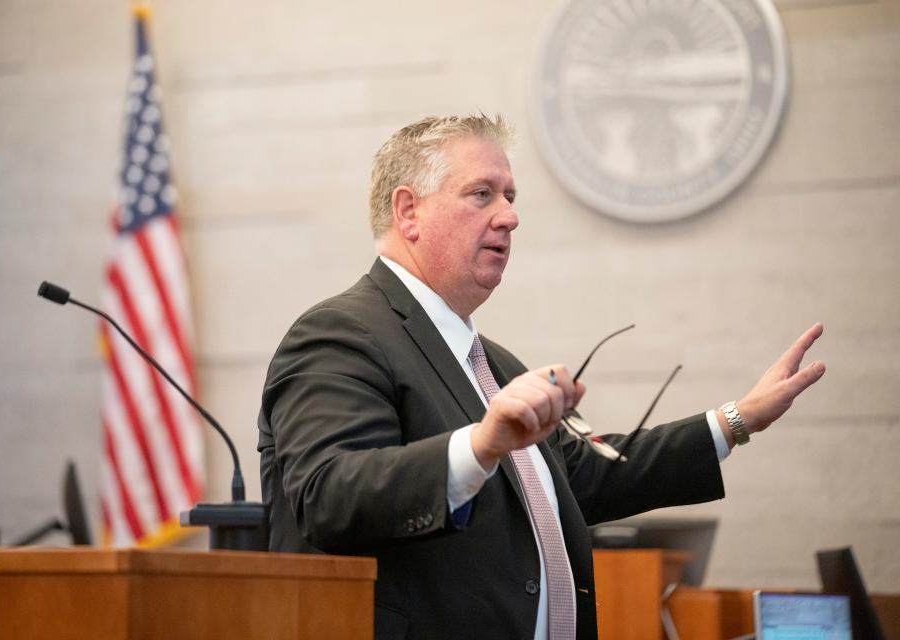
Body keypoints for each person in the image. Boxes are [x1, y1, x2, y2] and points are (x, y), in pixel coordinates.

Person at [257, 114, 825, 640]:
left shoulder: (495, 364)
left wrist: (738, 420)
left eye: (509, 196)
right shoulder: (339, 334)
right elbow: (329, 495)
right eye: (482, 194)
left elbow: (587, 477)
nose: (510, 215)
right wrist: (480, 445)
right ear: (408, 212)